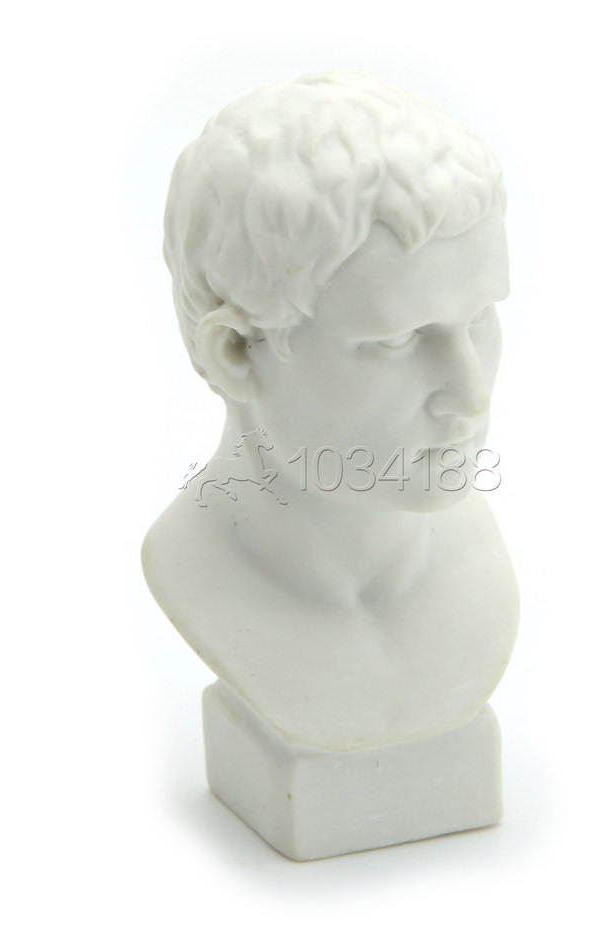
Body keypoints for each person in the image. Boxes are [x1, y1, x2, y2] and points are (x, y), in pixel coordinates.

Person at [143, 71, 518, 752]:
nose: (472, 395)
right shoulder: (191, 565)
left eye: (481, 319)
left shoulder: (474, 566)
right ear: (237, 352)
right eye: (399, 340)